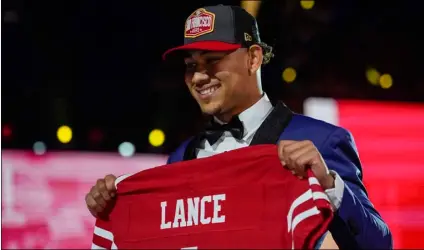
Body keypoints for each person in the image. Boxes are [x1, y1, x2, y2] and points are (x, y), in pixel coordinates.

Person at [85, 4, 392, 249]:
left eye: (212, 61)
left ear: (253, 58)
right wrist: (114, 206)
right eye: (191, 66)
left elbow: (378, 244)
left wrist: (329, 183)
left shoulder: (322, 141)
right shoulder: (180, 157)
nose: (199, 77)